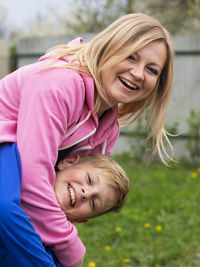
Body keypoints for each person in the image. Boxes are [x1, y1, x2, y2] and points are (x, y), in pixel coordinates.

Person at [0, 13, 174, 267]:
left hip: (18, 185)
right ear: (109, 48)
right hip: (6, 158)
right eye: (131, 56)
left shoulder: (107, 130)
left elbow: (60, 202)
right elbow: (30, 179)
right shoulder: (59, 83)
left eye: (151, 69)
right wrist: (72, 247)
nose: (138, 73)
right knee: (9, 212)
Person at [0, 143, 129, 267]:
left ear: (79, 219)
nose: (86, 194)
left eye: (93, 202)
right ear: (68, 162)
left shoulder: (53, 253)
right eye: (89, 179)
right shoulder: (14, 166)